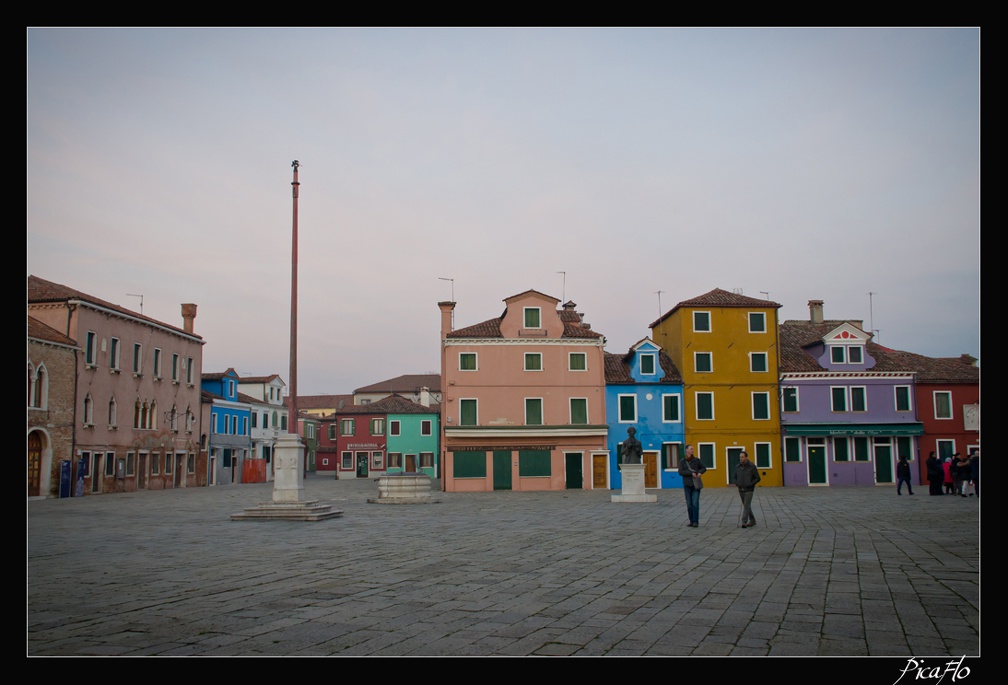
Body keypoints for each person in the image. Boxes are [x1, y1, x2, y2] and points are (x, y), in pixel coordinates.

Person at [678, 445, 706, 528]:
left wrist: (700, 472)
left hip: (695, 485)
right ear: (686, 450)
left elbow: (704, 468)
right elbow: (680, 472)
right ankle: (691, 520)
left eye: (693, 449)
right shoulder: (682, 461)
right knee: (689, 504)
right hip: (687, 484)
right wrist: (690, 473)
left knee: (695, 503)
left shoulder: (696, 460)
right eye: (691, 449)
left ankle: (695, 521)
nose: (692, 450)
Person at [734, 450, 761, 528]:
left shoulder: (752, 467)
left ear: (746, 457)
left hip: (749, 489)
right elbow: (734, 476)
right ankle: (752, 520)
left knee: (746, 505)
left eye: (742, 457)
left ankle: (744, 521)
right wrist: (736, 483)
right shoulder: (737, 467)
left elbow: (758, 478)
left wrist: (751, 483)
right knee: (747, 505)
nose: (741, 459)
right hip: (741, 488)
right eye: (740, 457)